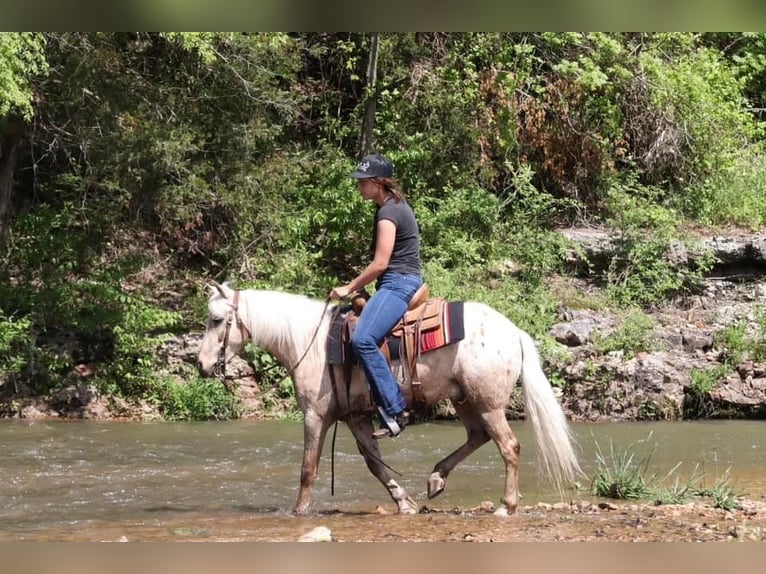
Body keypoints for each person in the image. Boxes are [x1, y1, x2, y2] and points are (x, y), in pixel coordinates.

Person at [329, 153, 423, 438]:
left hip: (398, 283)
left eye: (363, 182)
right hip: (396, 280)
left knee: (363, 339)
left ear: (377, 183)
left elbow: (381, 263)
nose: (359, 187)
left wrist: (348, 287)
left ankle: (395, 409)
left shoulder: (388, 212)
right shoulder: (393, 206)